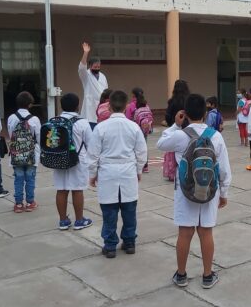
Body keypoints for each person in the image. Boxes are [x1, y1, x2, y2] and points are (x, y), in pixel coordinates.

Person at [157, 94, 232, 289]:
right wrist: (223, 193)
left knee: (185, 232)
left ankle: (181, 274)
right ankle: (207, 275)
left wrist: (174, 125)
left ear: (186, 114)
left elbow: (160, 144)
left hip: (185, 191)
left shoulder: (180, 136)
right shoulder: (216, 136)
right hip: (209, 192)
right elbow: (224, 169)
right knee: (206, 232)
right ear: (206, 113)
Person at [88, 90, 148, 258]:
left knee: (109, 212)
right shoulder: (133, 126)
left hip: (108, 173)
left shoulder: (101, 127)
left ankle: (110, 246)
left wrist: (92, 174)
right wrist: (138, 170)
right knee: (129, 211)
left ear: (109, 105)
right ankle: (129, 243)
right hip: (128, 171)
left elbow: (93, 154)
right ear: (126, 105)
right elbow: (141, 152)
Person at [53, 93, 94, 230]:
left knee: (61, 189)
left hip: (58, 159)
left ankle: (63, 221)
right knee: (77, 190)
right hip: (77, 160)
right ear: (77, 106)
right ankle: (79, 220)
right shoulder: (82, 122)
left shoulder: (54, 120)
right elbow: (91, 143)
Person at [7, 91, 41, 213]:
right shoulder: (35, 119)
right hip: (31, 153)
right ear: (30, 104)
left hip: (16, 153)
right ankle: (30, 202)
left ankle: (19, 204)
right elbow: (39, 137)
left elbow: (11, 134)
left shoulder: (11, 118)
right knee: (30, 178)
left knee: (18, 178)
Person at [163, 80, 190, 181]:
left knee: (173, 152)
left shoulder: (172, 101)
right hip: (188, 129)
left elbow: (168, 116)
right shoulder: (189, 100)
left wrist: (172, 124)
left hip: (176, 128)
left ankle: (172, 172)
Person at [78, 42, 108, 128]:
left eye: (98, 67)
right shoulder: (86, 75)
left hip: (102, 109)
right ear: (90, 66)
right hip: (90, 109)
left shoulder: (103, 76)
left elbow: (106, 91)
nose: (97, 69)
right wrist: (86, 53)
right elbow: (82, 67)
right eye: (95, 67)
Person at [130, 89, 154, 173]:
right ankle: (145, 166)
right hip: (145, 129)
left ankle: (136, 165)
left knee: (134, 147)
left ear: (133, 96)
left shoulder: (131, 105)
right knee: (144, 146)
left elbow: (128, 117)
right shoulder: (145, 105)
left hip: (135, 129)